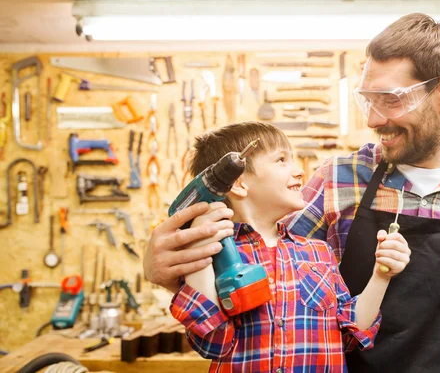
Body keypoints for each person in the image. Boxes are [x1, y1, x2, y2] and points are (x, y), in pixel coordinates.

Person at [145, 13, 440, 372]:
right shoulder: (335, 181)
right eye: (368, 100)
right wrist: (163, 268)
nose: (373, 119)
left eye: (391, 99)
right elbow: (248, 270)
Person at [167, 121, 411, 372]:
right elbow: (212, 343)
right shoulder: (215, 258)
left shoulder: (319, 253)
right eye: (281, 160)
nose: (299, 171)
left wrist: (382, 275)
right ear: (239, 183)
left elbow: (353, 334)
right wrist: (200, 242)